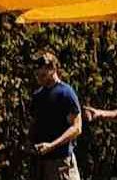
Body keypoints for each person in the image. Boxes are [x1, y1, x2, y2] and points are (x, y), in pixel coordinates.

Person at [30, 51, 85, 180]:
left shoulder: (66, 93)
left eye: (43, 72)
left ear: (53, 69)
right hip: (41, 164)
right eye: (37, 72)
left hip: (62, 163)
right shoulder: (38, 96)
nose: (39, 75)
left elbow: (77, 128)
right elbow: (35, 124)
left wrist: (51, 145)